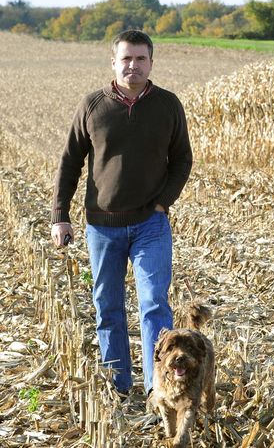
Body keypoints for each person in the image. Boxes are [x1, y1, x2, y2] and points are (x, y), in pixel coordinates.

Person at [50, 29, 193, 397]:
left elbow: (182, 160)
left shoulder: (167, 105)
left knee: (154, 305)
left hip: (151, 224)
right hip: (102, 226)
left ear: (151, 62)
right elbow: (70, 163)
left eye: (140, 59)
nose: (133, 65)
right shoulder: (93, 106)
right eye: (126, 59)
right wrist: (60, 215)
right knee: (108, 307)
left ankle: (155, 390)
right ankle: (119, 386)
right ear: (113, 62)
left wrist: (163, 203)